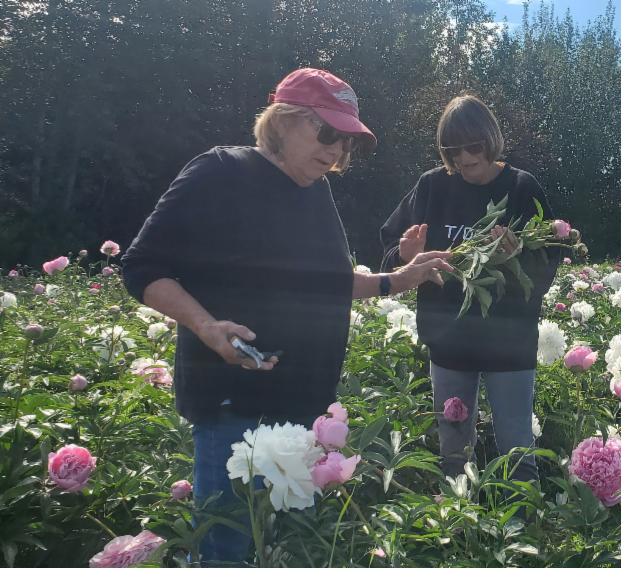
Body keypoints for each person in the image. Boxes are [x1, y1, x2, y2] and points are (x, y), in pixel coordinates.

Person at [121, 68, 452, 565]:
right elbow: (142, 268)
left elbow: (329, 283)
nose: (337, 151)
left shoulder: (315, 191)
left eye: (347, 143)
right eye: (327, 133)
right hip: (235, 403)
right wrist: (206, 326)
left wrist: (399, 279)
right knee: (227, 544)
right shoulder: (219, 172)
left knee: (287, 546)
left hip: (303, 404)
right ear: (282, 121)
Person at [380, 94, 562, 487]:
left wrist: (517, 256)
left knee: (516, 450)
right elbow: (392, 249)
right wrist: (406, 254)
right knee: (453, 449)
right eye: (452, 149)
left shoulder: (520, 187)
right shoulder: (432, 186)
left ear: (491, 140)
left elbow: (548, 260)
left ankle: (519, 529)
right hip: (449, 341)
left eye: (473, 147)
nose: (463, 157)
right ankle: (459, 532)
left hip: (507, 342)